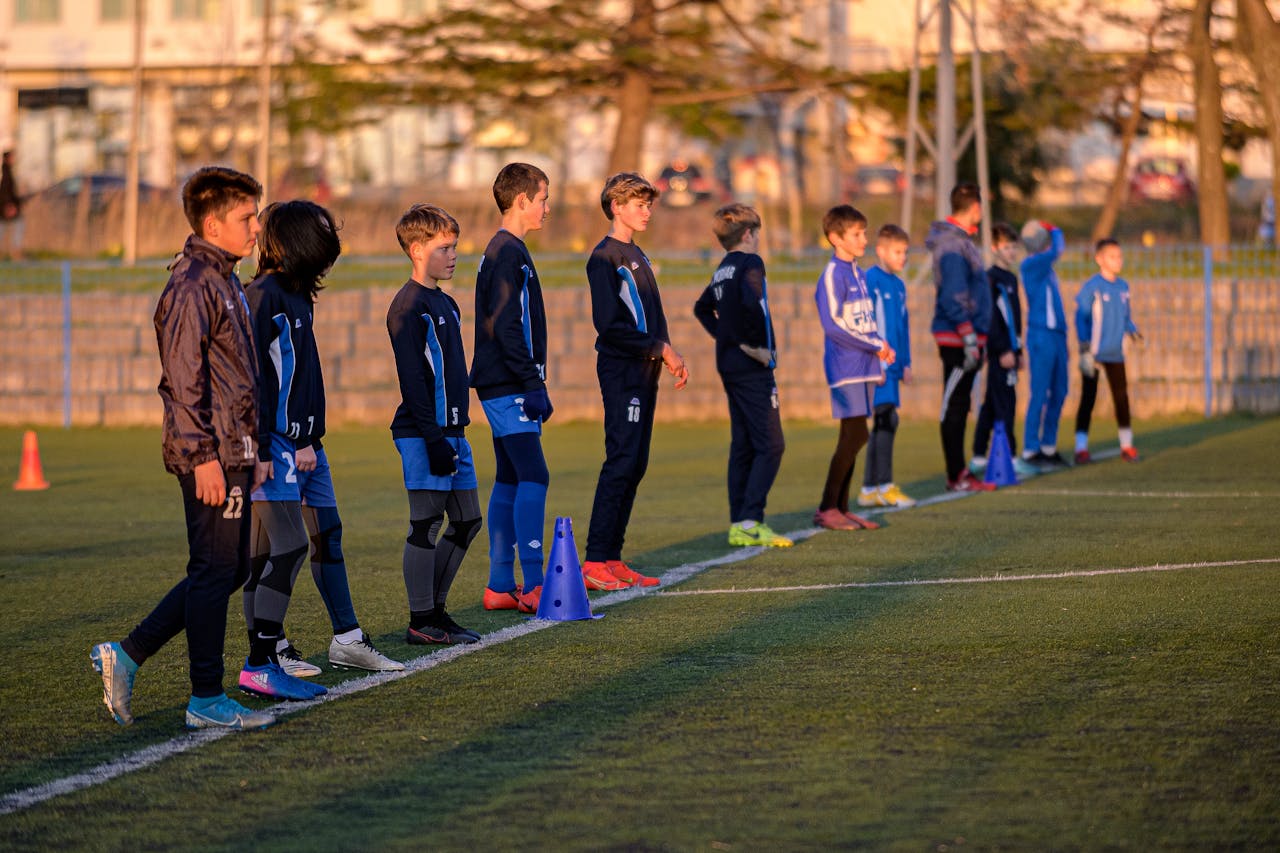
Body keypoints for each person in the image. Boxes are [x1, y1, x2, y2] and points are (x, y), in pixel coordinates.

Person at [90, 166, 275, 731]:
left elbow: (238, 376)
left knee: (229, 567)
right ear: (213, 223)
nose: (256, 227)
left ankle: (126, 654)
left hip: (235, 450)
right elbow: (182, 380)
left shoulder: (224, 278)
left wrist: (255, 449)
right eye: (247, 218)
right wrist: (202, 458)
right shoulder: (193, 283)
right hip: (210, 454)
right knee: (217, 568)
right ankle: (204, 697)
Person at [243, 200, 402, 693]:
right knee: (272, 549)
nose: (331, 242)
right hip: (275, 445)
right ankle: (266, 654)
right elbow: (254, 382)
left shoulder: (299, 295)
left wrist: (311, 437)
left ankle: (348, 639)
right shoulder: (262, 295)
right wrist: (270, 448)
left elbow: (303, 376)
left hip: (307, 443)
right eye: (322, 234)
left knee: (326, 534)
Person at [582, 172, 688, 589]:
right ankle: (594, 561)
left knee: (636, 462)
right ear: (616, 207)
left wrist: (665, 351)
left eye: (648, 204)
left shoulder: (638, 254)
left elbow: (651, 317)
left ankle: (612, 556)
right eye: (639, 204)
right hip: (622, 371)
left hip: (645, 370)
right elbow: (609, 326)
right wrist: (659, 349)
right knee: (621, 459)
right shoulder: (604, 257)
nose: (647, 211)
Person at [387, 203, 483, 645]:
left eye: (455, 247)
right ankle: (420, 618)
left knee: (466, 521)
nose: (454, 255)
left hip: (454, 433)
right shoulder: (408, 307)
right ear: (416, 249)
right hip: (424, 433)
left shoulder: (446, 302)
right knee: (426, 522)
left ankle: (437, 612)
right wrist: (433, 438)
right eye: (445, 247)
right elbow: (413, 382)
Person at [472, 163, 553, 614]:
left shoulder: (507, 250)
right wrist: (532, 382)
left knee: (510, 475)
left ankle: (501, 583)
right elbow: (506, 326)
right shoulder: (507, 253)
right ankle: (537, 581)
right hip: (508, 384)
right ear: (521, 200)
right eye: (543, 198)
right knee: (534, 475)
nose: (547, 206)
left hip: (503, 382)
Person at [693, 202, 790, 547]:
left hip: (729, 364)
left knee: (744, 443)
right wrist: (753, 347)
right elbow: (751, 304)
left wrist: (726, 339)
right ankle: (751, 518)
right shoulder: (750, 263)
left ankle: (740, 523)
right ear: (748, 234)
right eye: (758, 234)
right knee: (771, 444)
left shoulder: (722, 268)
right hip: (751, 366)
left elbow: (701, 308)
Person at [813, 204, 894, 530]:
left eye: (864, 232)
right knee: (855, 434)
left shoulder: (859, 273)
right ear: (836, 238)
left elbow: (865, 321)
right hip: (845, 367)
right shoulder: (833, 275)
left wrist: (880, 351)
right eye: (857, 234)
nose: (864, 239)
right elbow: (833, 325)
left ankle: (841, 508)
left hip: (865, 366)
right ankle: (827, 507)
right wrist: (874, 345)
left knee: (855, 435)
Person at [927, 183, 995, 492]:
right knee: (953, 405)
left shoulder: (961, 242)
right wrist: (968, 335)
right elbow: (954, 295)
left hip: (969, 337)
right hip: (957, 338)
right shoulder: (953, 245)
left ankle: (961, 471)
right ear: (975, 208)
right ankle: (956, 475)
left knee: (961, 403)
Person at [970, 222, 1035, 477]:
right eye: (1006, 247)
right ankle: (1012, 455)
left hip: (1011, 351)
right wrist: (1003, 349)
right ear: (995, 248)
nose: (1011, 252)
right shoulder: (991, 278)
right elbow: (991, 319)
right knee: (1005, 402)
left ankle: (977, 454)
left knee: (992, 402)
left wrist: (1018, 351)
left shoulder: (1010, 278)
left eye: (1014, 247)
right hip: (1000, 352)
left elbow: (1014, 319)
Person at [858, 223, 915, 509]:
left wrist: (906, 362)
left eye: (905, 252)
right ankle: (883, 485)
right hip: (878, 366)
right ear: (881, 251)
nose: (903, 257)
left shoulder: (899, 285)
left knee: (886, 420)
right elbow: (867, 325)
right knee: (884, 420)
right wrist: (873, 362)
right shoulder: (871, 280)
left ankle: (870, 489)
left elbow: (902, 327)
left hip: (893, 367)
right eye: (897, 252)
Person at [1073, 238, 1143, 463]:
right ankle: (1081, 447)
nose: (1118, 260)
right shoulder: (1092, 286)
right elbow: (1081, 316)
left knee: (1121, 398)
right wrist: (1084, 347)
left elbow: (1126, 317)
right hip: (1094, 352)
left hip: (1115, 352)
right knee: (1088, 398)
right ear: (1099, 259)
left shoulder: (1123, 286)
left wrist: (1133, 332)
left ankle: (1127, 445)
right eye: (1112, 257)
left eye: (1120, 256)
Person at [1020, 218, 1070, 468]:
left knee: (1060, 391)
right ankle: (1031, 448)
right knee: (1039, 393)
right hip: (1041, 335)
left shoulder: (1045, 268)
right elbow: (1058, 249)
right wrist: (1054, 227)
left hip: (1057, 335)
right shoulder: (1032, 264)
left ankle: (1048, 446)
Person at [0, 149, 24, 261]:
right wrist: (9, 206)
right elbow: (4, 191)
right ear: (7, 158)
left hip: (6, 207)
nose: (14, 159)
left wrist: (18, 201)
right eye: (12, 157)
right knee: (18, 225)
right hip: (5, 208)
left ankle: (14, 252)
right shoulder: (5, 172)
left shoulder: (7, 171)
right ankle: (16, 253)